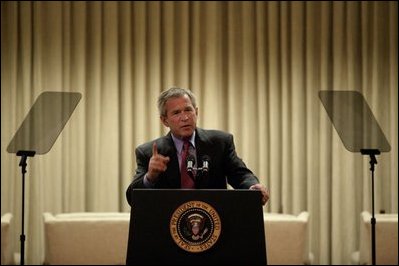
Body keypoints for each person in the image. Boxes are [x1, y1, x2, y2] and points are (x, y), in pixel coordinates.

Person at [126, 87, 269, 206]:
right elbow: (132, 198)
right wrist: (150, 176)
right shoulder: (148, 152)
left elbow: (240, 175)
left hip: (213, 221)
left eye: (188, 110)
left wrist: (252, 187)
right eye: (176, 113)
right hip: (169, 225)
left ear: (196, 112)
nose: (185, 117)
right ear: (165, 121)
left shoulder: (220, 143)